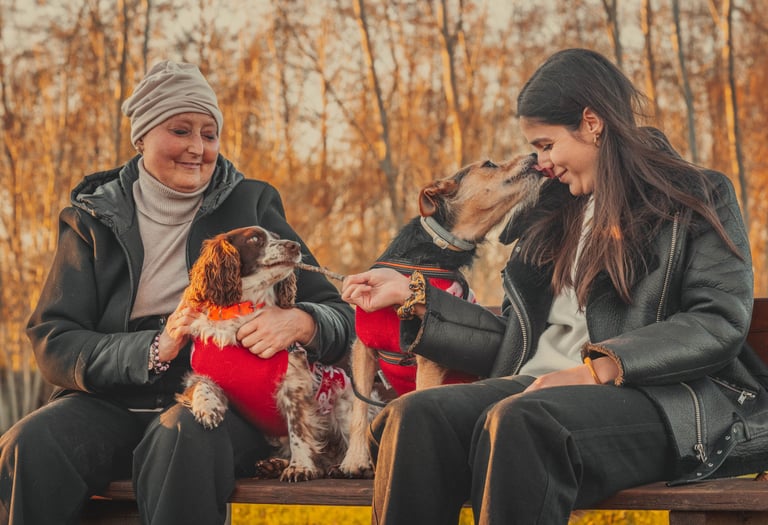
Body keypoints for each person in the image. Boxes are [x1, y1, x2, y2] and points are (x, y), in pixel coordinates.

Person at [342, 48, 768, 524]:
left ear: (592, 123)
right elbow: (514, 334)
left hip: (657, 399)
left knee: (522, 422)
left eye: (546, 145)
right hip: (537, 388)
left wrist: (594, 369)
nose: (541, 162)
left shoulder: (693, 195)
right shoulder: (555, 212)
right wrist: (413, 296)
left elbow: (717, 321)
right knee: (415, 418)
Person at [0, 60, 354, 525]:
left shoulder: (251, 204)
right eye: (181, 130)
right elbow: (54, 342)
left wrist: (302, 322)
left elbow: (336, 314)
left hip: (220, 403)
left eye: (209, 134)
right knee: (31, 443)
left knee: (181, 435)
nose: (197, 148)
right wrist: (151, 348)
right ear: (142, 136)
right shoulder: (91, 218)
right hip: (112, 400)